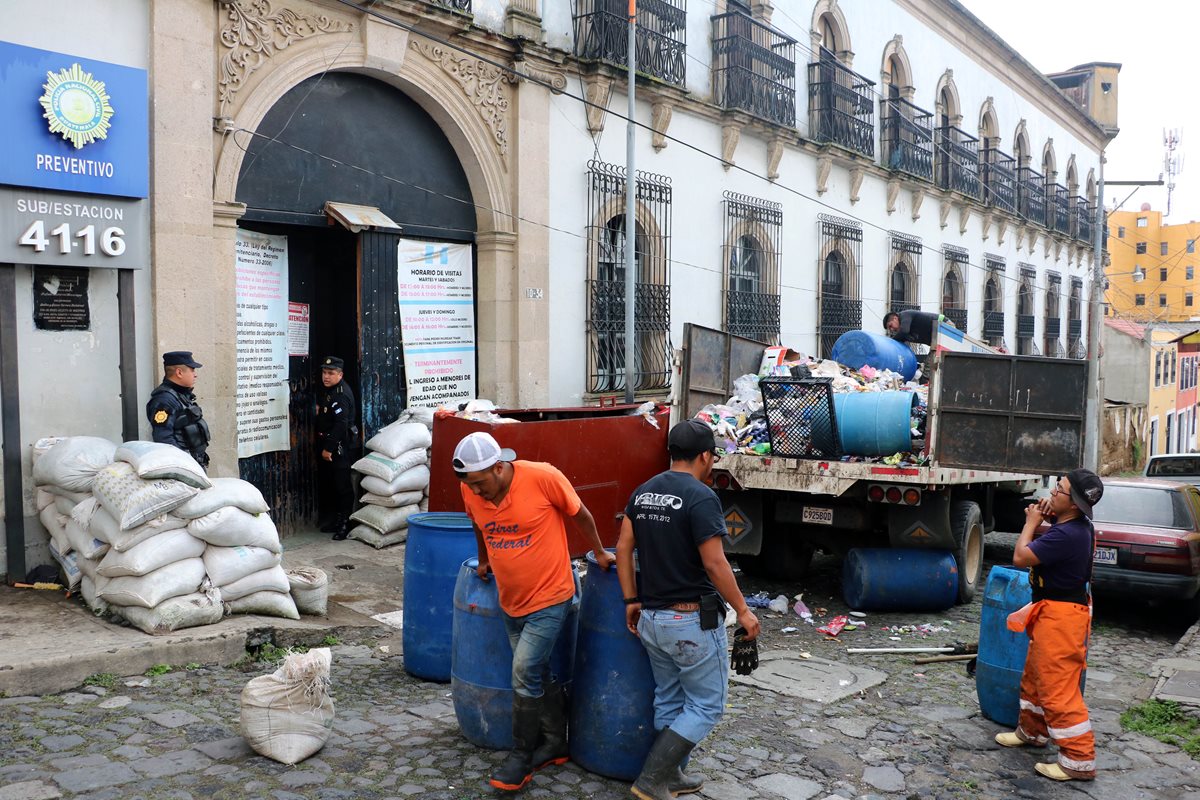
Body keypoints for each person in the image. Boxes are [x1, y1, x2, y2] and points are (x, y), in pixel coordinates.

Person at [454, 431, 616, 793]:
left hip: (551, 595)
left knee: (524, 670)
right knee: (537, 671)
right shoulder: (471, 489)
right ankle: (557, 742)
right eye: (471, 486)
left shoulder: (543, 477)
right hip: (511, 599)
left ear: (498, 468)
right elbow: (478, 524)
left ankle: (521, 757)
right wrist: (483, 560)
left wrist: (600, 551)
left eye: (481, 483)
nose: (477, 492)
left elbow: (581, 514)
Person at [616, 419, 761, 800]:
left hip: (651, 619)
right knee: (707, 705)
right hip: (690, 622)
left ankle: (673, 775)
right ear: (705, 456)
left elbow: (623, 549)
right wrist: (744, 611)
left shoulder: (644, 492)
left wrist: (631, 600)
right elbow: (715, 564)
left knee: (670, 698)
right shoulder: (700, 497)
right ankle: (651, 779)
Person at [996, 467, 1105, 782]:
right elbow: (1057, 524)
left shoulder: (1067, 534)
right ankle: (1031, 731)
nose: (1051, 492)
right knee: (1035, 677)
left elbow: (1020, 557)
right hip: (1052, 611)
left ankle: (1078, 761)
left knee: (1058, 689)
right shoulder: (1074, 524)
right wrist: (1047, 516)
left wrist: (1031, 523)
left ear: (1072, 503)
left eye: (1058, 489)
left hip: (1062, 618)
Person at [315, 356, 357, 540]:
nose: (326, 376)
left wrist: (329, 448)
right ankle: (337, 520)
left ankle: (345, 524)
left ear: (340, 375)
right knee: (333, 484)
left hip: (340, 447)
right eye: (324, 372)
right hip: (331, 444)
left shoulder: (340, 394)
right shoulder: (329, 391)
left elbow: (341, 424)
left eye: (331, 373)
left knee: (343, 486)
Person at [147, 351, 210, 469]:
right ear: (179, 372)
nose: (195, 375)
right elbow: (164, 440)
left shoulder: (181, 395)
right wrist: (184, 465)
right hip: (183, 466)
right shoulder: (164, 400)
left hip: (193, 462)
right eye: (192, 370)